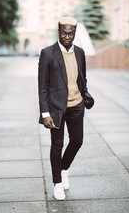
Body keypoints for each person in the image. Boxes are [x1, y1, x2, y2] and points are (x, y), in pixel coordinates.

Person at [38, 16, 94, 200]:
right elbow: (43, 86)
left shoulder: (79, 52)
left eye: (70, 33)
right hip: (56, 108)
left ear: (75, 33)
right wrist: (45, 113)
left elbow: (82, 77)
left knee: (77, 141)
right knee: (57, 145)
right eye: (63, 32)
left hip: (77, 105)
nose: (67, 36)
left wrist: (85, 94)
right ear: (59, 31)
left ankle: (63, 168)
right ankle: (57, 183)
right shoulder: (47, 53)